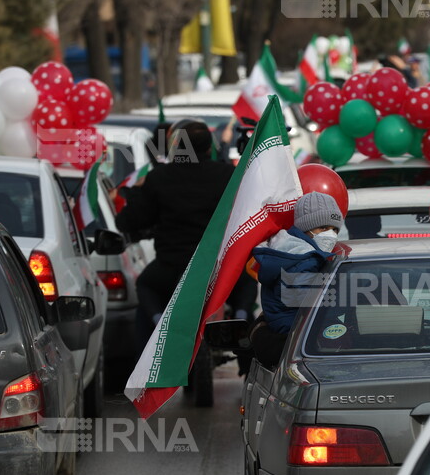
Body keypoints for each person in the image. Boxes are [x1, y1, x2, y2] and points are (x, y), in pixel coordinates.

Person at [115, 119, 236, 353]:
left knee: (145, 285)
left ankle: (158, 325)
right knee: (244, 289)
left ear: (177, 145)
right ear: (209, 147)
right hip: (215, 266)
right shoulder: (228, 175)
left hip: (171, 265)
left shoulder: (159, 177)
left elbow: (133, 219)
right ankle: (241, 322)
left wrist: (137, 195)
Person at [248, 192, 342, 367]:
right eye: (323, 228)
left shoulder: (291, 253)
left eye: (335, 229)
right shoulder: (303, 260)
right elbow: (316, 309)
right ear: (306, 228)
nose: (331, 234)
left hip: (289, 334)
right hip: (296, 340)